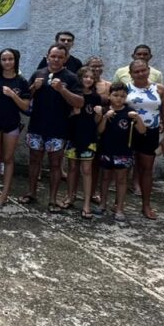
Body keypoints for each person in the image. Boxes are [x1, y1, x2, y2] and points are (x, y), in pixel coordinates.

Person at [22, 44, 83, 211]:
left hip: (58, 128)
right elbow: (25, 98)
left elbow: (79, 102)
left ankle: (52, 199)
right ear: (47, 56)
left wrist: (62, 89)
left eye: (60, 57)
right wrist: (34, 88)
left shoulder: (71, 77)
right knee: (34, 160)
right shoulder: (38, 73)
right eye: (53, 56)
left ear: (66, 59)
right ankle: (31, 193)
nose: (56, 60)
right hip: (37, 126)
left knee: (55, 164)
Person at [125, 59, 164, 220]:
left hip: (150, 133)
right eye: (136, 71)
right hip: (127, 132)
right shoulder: (125, 88)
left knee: (146, 169)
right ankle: (119, 204)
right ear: (131, 74)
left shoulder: (160, 89)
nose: (140, 74)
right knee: (122, 168)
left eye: (143, 70)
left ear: (148, 70)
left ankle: (146, 205)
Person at [0, 48, 30, 206]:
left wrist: (12, 95)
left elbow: (25, 106)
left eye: (10, 59)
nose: (7, 62)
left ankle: (4, 193)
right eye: (4, 59)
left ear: (15, 61)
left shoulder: (21, 81)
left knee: (8, 159)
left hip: (12, 124)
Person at [96, 82, 147, 222]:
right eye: (115, 95)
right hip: (106, 150)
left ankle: (119, 208)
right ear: (109, 95)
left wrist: (137, 118)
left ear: (126, 97)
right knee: (105, 178)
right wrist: (105, 117)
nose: (119, 98)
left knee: (121, 180)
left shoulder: (130, 112)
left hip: (124, 152)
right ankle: (102, 204)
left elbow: (142, 130)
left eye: (122, 96)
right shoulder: (105, 110)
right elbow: (99, 131)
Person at [64, 67, 103, 217]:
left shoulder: (96, 98)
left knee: (86, 170)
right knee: (72, 168)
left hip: (88, 138)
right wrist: (73, 113)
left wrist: (99, 115)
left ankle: (86, 203)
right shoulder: (73, 95)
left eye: (91, 77)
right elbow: (65, 116)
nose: (88, 79)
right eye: (85, 76)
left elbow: (96, 122)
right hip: (73, 136)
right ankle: (70, 196)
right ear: (80, 78)